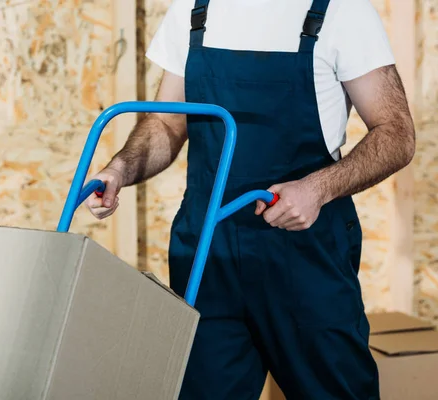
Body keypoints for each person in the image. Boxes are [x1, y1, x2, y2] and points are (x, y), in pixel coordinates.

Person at [86, 0, 415, 398]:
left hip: (304, 251)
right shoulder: (194, 11)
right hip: (208, 251)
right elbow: (167, 122)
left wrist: (316, 189)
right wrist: (119, 169)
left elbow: (396, 133)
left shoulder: (340, 11)